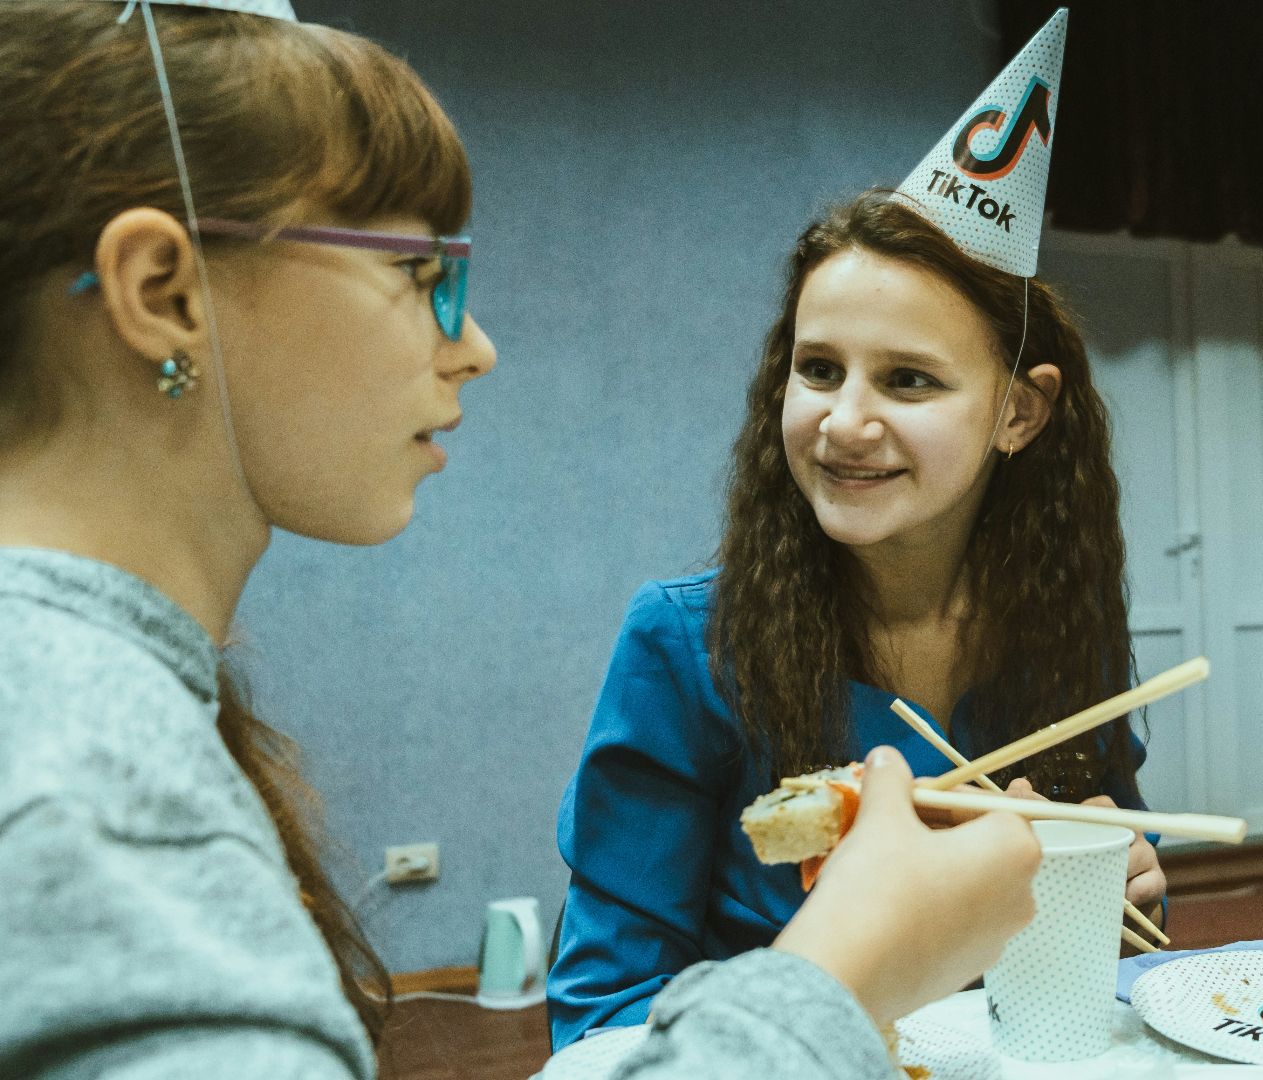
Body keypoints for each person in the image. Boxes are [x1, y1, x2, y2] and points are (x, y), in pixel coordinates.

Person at [0, 4, 1042, 1078]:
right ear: (162, 291)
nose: (477, 347)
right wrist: (839, 975)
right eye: (417, 271)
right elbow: (608, 993)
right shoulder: (73, 760)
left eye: (910, 378)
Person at [548, 187, 1164, 1045]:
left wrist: (1110, 886)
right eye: (819, 370)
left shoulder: (1066, 624)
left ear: (1019, 411)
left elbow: (1105, 946)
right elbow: (600, 1018)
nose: (843, 422)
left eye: (907, 379)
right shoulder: (684, 646)